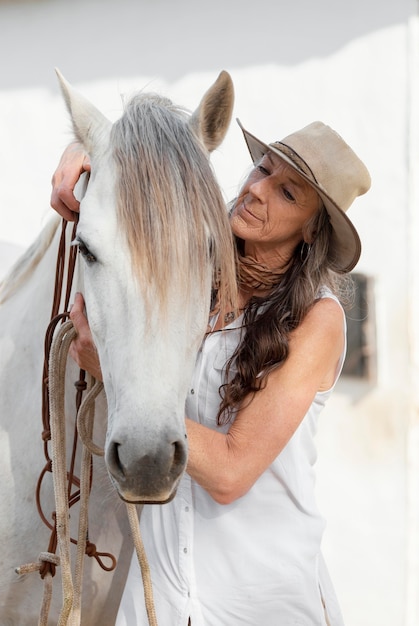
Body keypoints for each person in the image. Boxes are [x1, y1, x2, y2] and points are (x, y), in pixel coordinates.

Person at [51, 117, 371, 625]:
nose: (256, 191)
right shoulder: (189, 276)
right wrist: (82, 154)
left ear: (312, 227)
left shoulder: (318, 320)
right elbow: (127, 205)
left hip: (261, 603)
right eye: (261, 169)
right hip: (160, 599)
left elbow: (230, 471)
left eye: (286, 192)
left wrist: (115, 376)